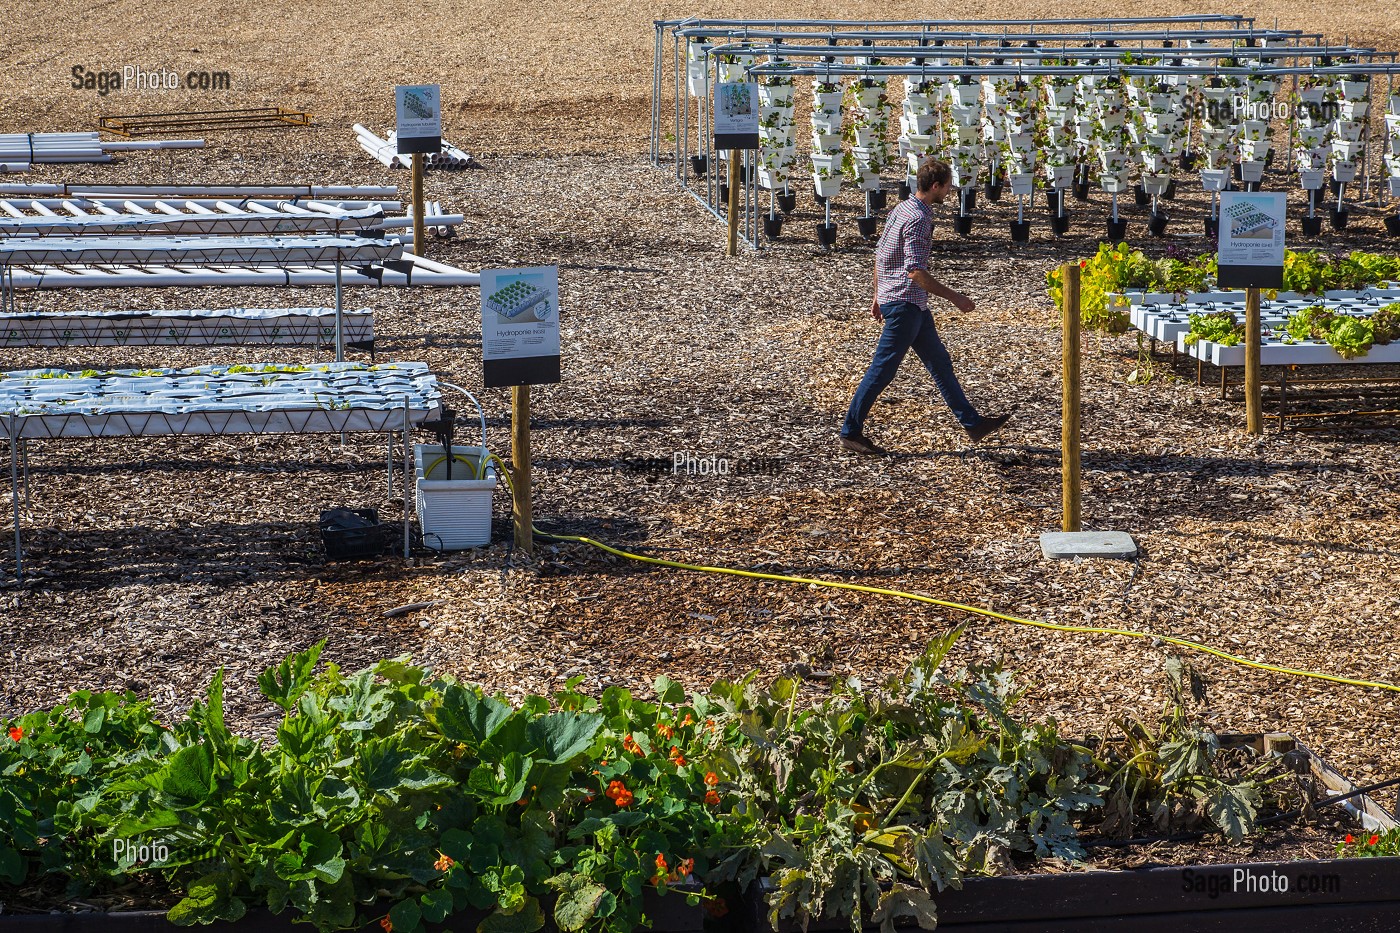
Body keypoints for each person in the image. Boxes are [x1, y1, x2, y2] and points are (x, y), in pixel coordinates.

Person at [839, 157, 1011, 455]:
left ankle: (972, 423)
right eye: (946, 187)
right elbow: (915, 271)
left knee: (940, 363)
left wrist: (878, 294)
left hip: (908, 303)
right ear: (935, 186)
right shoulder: (919, 219)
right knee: (882, 369)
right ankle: (851, 431)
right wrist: (956, 298)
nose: (948, 192)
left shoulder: (901, 208)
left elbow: (880, 254)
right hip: (905, 304)